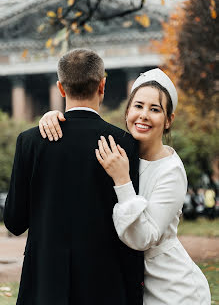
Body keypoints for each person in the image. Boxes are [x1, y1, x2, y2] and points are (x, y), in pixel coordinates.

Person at [40, 68, 211, 305]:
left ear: (168, 120)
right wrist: (52, 118)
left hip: (172, 290)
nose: (143, 115)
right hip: (126, 285)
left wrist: (122, 181)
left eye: (155, 109)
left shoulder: (170, 170)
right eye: (138, 106)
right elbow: (81, 132)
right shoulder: (117, 151)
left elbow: (144, 238)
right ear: (127, 111)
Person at [4, 49, 144, 305]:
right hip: (104, 284)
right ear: (102, 85)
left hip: (44, 284)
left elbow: (14, 222)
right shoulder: (125, 143)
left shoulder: (30, 141)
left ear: (60, 88)